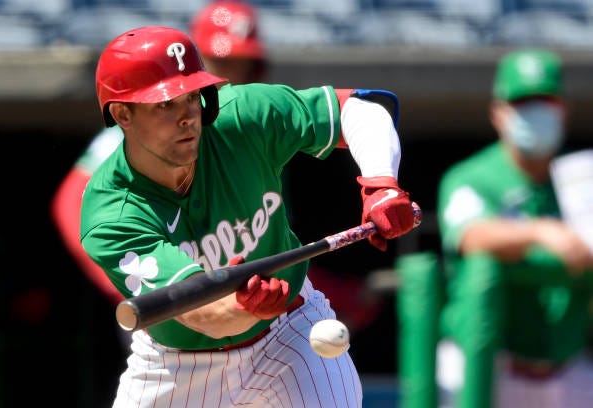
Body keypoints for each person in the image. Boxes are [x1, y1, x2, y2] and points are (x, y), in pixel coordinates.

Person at [81, 25, 418, 407]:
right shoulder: (111, 213)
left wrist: (381, 184)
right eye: (164, 104)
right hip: (177, 366)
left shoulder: (238, 117)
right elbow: (200, 314)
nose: (187, 116)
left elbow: (361, 110)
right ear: (123, 113)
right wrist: (241, 307)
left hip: (289, 331)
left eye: (192, 97)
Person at [50, 0, 268, 338]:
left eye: (242, 63)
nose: (231, 74)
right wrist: (126, 271)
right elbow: (69, 202)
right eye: (219, 60)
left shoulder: (248, 124)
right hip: (173, 299)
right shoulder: (146, 137)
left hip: (243, 298)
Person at [436, 48, 593, 407]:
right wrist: (540, 231)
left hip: (567, 365)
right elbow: (470, 236)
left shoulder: (581, 180)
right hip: (484, 364)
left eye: (545, 101)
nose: (535, 112)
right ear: (498, 113)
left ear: (563, 109)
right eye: (523, 103)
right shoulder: (472, 177)